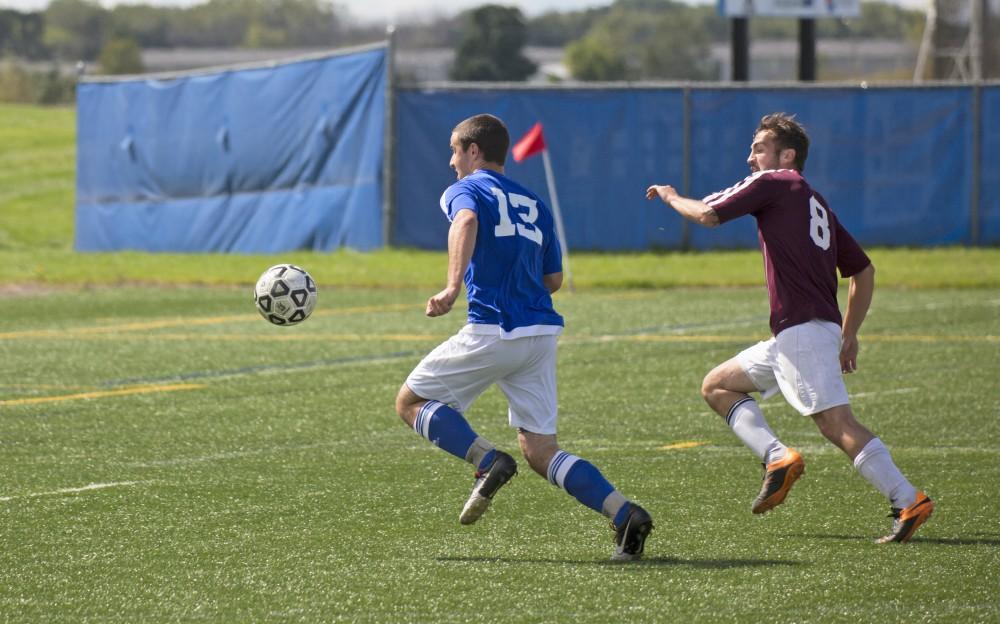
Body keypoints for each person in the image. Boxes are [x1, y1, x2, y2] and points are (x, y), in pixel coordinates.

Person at [645, 112, 933, 543]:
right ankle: (777, 457)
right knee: (717, 386)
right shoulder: (814, 199)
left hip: (803, 331)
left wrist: (670, 196)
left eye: (758, 147)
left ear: (787, 155)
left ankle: (907, 498)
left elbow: (707, 214)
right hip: (800, 333)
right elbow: (864, 271)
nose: (750, 157)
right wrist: (849, 333)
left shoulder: (775, 182)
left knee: (836, 424)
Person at [395, 113, 653, 560]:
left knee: (410, 402)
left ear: (474, 151)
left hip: (495, 328)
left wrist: (453, 285)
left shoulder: (465, 189)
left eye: (455, 150)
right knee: (540, 449)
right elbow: (553, 278)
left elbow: (467, 222)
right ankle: (624, 513)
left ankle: (485, 460)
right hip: (539, 334)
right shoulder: (534, 201)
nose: (451, 160)